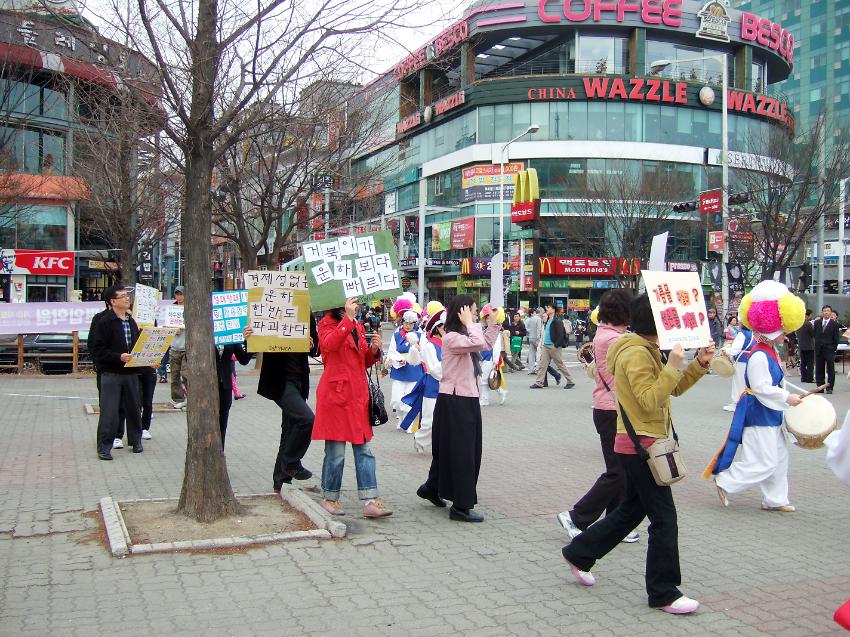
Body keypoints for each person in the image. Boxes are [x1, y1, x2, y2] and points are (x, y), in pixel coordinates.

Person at [561, 293, 714, 615]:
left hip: (643, 443)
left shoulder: (645, 349)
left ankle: (580, 552)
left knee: (631, 510)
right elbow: (649, 399)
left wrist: (698, 364)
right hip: (640, 446)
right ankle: (663, 591)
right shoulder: (635, 354)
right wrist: (673, 365)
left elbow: (670, 389)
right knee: (664, 518)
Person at [710, 280, 805, 512]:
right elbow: (762, 387)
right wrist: (787, 398)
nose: (786, 337)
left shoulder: (769, 352)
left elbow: (777, 383)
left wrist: (791, 396)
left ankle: (776, 499)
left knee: (780, 459)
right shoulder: (760, 355)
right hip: (758, 412)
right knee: (764, 462)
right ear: (774, 331)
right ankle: (725, 480)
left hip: (771, 412)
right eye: (784, 332)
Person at [557, 289, 639, 543]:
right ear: (622, 313)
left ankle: (615, 524)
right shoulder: (613, 340)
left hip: (611, 409)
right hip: (611, 410)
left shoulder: (611, 335)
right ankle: (576, 516)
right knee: (617, 472)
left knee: (620, 470)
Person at [417, 295, 501, 522]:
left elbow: (485, 344)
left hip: (465, 399)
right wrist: (471, 323)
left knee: (452, 450)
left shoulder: (464, 335)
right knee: (464, 454)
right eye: (472, 311)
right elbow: (477, 342)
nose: (475, 316)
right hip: (455, 401)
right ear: (461, 312)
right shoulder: (452, 337)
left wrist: (493, 324)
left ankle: (432, 488)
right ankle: (461, 507)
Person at [313, 298, 391, 518]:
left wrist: (374, 350)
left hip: (357, 396)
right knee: (336, 452)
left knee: (364, 449)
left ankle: (370, 500)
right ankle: (330, 497)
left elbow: (360, 360)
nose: (356, 305)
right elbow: (328, 346)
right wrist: (347, 319)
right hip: (336, 396)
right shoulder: (326, 323)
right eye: (351, 302)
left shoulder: (356, 324)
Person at [251, 315, 319, 494]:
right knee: (307, 420)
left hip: (299, 380)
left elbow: (315, 349)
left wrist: (312, 344)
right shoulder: (270, 309)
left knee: (289, 430)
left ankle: (280, 483)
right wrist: (248, 336)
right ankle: (291, 463)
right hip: (279, 381)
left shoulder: (305, 310)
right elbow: (252, 347)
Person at [88, 284, 144, 460]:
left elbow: (137, 346)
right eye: (123, 297)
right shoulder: (104, 321)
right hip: (111, 373)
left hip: (131, 373)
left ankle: (136, 441)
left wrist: (147, 361)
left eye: (128, 296)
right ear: (113, 301)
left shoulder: (131, 321)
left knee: (134, 409)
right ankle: (105, 446)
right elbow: (97, 350)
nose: (127, 299)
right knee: (109, 411)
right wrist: (118, 357)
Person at [401, 309, 445, 454]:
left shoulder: (448, 344)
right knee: (429, 420)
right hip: (432, 385)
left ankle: (441, 446)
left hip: (448, 386)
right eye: (445, 326)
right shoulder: (430, 346)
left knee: (446, 420)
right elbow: (435, 370)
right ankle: (419, 439)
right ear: (437, 328)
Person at [386, 309, 425, 426]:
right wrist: (396, 360)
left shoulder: (420, 336)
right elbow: (391, 351)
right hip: (399, 369)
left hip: (414, 370)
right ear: (402, 322)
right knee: (397, 399)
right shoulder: (397, 335)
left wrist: (419, 349)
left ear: (414, 324)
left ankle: (408, 423)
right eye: (406, 323)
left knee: (409, 398)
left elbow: (424, 352)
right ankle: (401, 418)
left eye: (411, 323)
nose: (408, 326)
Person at [530, 303, 575, 390]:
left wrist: (556, 345)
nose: (547, 309)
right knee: (542, 364)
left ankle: (570, 381)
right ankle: (539, 382)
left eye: (549, 308)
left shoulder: (557, 321)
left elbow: (560, 335)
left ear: (553, 310)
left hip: (554, 346)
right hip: (546, 346)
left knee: (560, 364)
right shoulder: (548, 320)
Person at [721, 326, 756, 413]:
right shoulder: (752, 333)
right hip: (750, 359)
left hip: (741, 360)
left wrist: (726, 350)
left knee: (738, 382)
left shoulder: (742, 334)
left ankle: (736, 404)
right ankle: (746, 403)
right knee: (746, 383)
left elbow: (735, 349)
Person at [479, 304, 507, 406]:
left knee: (484, 379)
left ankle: (484, 399)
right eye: (486, 318)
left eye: (489, 317)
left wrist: (495, 361)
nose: (487, 320)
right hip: (483, 356)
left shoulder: (496, 333)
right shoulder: (487, 330)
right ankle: (501, 391)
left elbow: (497, 348)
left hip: (490, 357)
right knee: (486, 378)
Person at [814, 304, 839, 394]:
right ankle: (820, 387)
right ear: (822, 312)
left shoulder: (835, 324)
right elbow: (815, 335)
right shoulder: (817, 323)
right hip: (819, 349)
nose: (826, 312)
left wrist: (833, 349)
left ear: (831, 312)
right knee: (819, 368)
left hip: (829, 350)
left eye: (828, 311)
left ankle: (829, 387)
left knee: (830, 369)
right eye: (824, 311)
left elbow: (836, 338)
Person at [168, 287, 187, 408]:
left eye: (181, 294)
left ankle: (189, 397)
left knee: (186, 375)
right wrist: (172, 329)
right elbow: (165, 325)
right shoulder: (171, 309)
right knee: (174, 376)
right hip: (175, 346)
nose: (179, 297)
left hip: (186, 347)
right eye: (177, 295)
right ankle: (177, 398)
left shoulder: (190, 308)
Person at [796, 309, 815, 383]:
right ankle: (809, 378)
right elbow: (813, 333)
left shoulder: (798, 323)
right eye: (810, 315)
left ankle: (803, 377)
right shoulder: (808, 324)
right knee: (810, 363)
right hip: (809, 346)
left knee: (803, 363)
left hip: (801, 345)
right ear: (807, 315)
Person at [524, 308, 543, 373]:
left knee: (531, 354)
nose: (542, 314)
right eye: (542, 312)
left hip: (531, 337)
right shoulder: (538, 319)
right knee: (538, 354)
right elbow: (539, 329)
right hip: (536, 338)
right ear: (539, 312)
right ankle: (537, 369)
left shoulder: (531, 318)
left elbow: (528, 328)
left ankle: (530, 369)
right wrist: (538, 339)